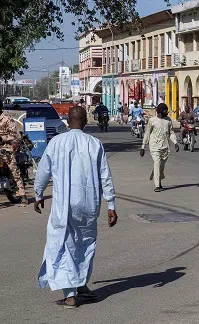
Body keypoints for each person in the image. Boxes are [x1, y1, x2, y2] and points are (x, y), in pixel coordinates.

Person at [33, 106, 117, 308]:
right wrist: (111, 205)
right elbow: (105, 176)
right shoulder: (94, 143)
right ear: (86, 122)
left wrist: (38, 194)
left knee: (63, 244)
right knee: (84, 245)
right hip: (89, 205)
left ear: (67, 121)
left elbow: (43, 170)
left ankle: (70, 295)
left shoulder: (56, 142)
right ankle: (81, 285)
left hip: (65, 206)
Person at [141, 103, 179, 192]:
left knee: (161, 166)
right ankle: (157, 185)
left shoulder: (168, 120)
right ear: (160, 112)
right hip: (154, 146)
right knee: (157, 162)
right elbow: (147, 133)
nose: (167, 112)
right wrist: (143, 146)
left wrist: (175, 143)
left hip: (165, 147)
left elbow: (171, 132)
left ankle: (158, 179)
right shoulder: (152, 120)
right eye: (165, 111)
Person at [0, 103, 28, 206]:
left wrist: (2, 139)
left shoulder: (7, 119)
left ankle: (23, 196)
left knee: (14, 172)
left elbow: (14, 136)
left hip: (6, 149)